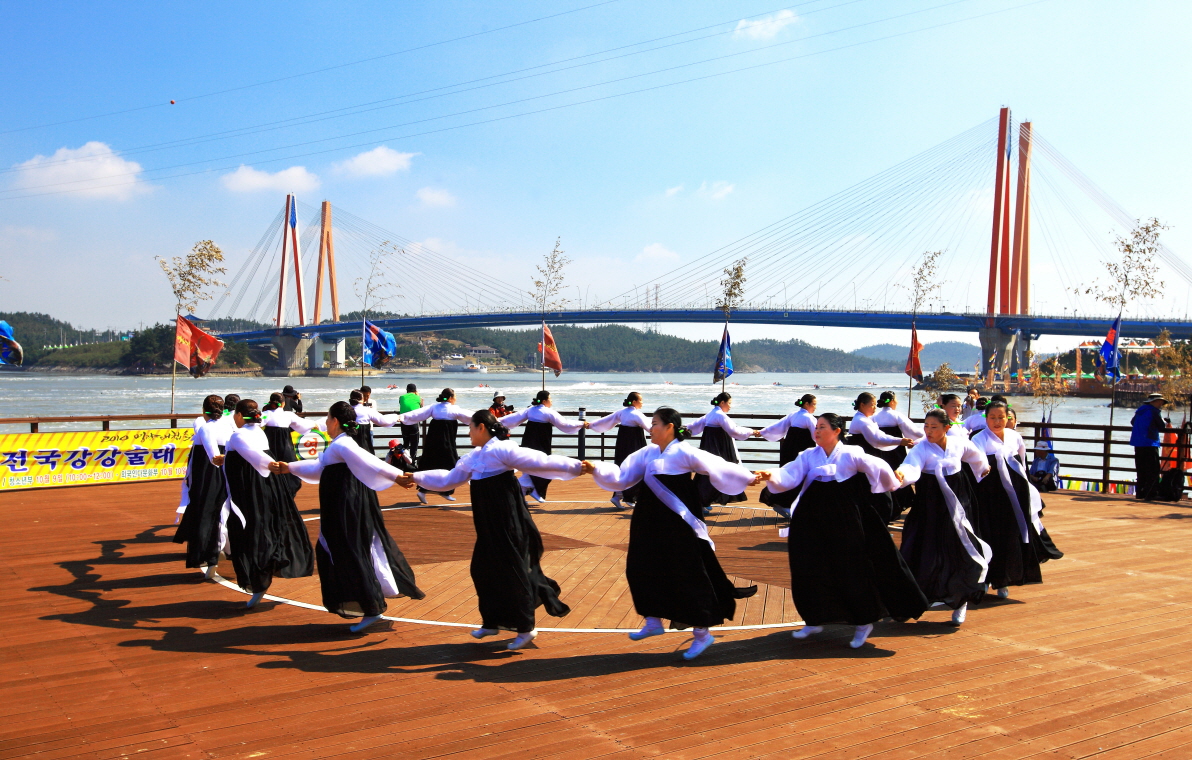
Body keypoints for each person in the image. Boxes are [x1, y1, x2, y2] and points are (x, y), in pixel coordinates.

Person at [397, 410, 592, 650]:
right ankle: (492, 621)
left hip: (507, 520)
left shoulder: (501, 449)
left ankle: (525, 628)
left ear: (481, 428)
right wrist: (416, 476)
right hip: (488, 524)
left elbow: (539, 460)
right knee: (482, 569)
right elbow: (447, 480)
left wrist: (575, 466)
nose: (467, 432)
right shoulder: (473, 458)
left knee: (512, 570)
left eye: (470, 428)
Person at [587, 407, 760, 660]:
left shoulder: (684, 451)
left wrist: (747, 476)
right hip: (648, 520)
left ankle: (702, 634)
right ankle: (653, 620)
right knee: (640, 566)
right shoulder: (645, 453)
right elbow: (622, 478)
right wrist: (595, 469)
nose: (651, 427)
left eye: (655, 423)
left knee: (687, 571)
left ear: (670, 427)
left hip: (679, 522)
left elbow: (718, 465)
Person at [758, 413, 928, 648]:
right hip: (812, 518)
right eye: (816, 427)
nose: (816, 431)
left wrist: (894, 478)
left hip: (845, 518)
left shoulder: (851, 453)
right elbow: (789, 474)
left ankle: (863, 622)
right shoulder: (808, 455)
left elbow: (877, 466)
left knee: (852, 568)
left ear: (837, 431)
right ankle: (814, 618)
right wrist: (771, 475)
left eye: (822, 427)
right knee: (808, 565)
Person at [276, 401, 425, 633]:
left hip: (345, 506)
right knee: (342, 550)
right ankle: (369, 603)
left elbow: (370, 461)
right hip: (338, 506)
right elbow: (318, 468)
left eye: (327, 418)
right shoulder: (337, 445)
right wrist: (290, 468)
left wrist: (397, 476)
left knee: (349, 551)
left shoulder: (343, 444)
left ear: (335, 421)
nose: (325, 422)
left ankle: (371, 606)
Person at [895, 409, 992, 626]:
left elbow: (975, 455)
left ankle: (960, 601)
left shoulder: (958, 443)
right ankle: (913, 599)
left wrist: (983, 468)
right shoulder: (920, 449)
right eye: (926, 426)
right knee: (922, 549)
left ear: (946, 427)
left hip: (958, 501)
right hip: (929, 503)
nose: (928, 431)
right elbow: (911, 466)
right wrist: (902, 475)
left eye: (934, 427)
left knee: (959, 548)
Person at [221, 399, 315, 608]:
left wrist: (271, 465)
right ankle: (267, 569)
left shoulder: (238, 435)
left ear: (238, 415)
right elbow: (247, 456)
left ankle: (259, 579)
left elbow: (256, 457)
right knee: (264, 527)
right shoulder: (257, 432)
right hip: (268, 486)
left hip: (251, 491)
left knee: (250, 532)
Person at [970, 401, 1062, 599]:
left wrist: (1027, 487)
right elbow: (975, 465)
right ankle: (986, 579)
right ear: (986, 418)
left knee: (1011, 535)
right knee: (989, 534)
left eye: (1001, 417)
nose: (997, 421)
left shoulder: (1015, 436)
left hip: (1015, 494)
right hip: (990, 493)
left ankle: (1005, 580)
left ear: (1008, 418)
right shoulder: (978, 439)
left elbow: (1022, 462)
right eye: (992, 417)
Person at [173, 395, 229, 579]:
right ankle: (218, 553)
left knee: (206, 514)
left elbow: (214, 456)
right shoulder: (228, 426)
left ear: (204, 410)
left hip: (207, 476)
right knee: (220, 513)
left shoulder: (206, 428)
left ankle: (208, 557)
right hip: (223, 474)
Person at [500, 390, 588, 503]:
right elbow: (564, 424)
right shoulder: (548, 412)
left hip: (528, 440)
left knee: (529, 466)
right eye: (550, 399)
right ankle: (529, 489)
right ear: (545, 401)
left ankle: (522, 494)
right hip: (541, 441)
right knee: (546, 466)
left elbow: (512, 419)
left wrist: (495, 421)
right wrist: (581, 423)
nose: (551, 401)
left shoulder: (530, 410)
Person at [687, 392, 760, 514]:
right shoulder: (720, 415)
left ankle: (702, 501)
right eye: (729, 403)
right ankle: (702, 501)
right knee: (720, 472)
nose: (730, 406)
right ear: (722, 403)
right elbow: (734, 430)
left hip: (710, 445)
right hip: (719, 446)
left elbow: (695, 425)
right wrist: (752, 432)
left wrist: (682, 429)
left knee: (707, 472)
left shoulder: (711, 413)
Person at [397, 388, 474, 504]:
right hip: (447, 444)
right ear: (451, 398)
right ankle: (445, 491)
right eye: (455, 396)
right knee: (451, 465)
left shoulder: (434, 407)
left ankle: (426, 491)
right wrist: (490, 419)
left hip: (432, 443)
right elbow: (472, 416)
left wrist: (401, 417)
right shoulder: (454, 409)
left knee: (430, 464)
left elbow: (417, 414)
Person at [848, 392, 915, 524]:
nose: (875, 408)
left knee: (878, 492)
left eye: (875, 405)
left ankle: (879, 518)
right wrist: (900, 441)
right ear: (862, 405)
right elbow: (877, 439)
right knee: (874, 492)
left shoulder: (866, 419)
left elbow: (880, 434)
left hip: (870, 457)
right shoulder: (861, 421)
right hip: (865, 460)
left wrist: (900, 440)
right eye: (872, 405)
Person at [757, 394, 818, 519]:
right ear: (807, 404)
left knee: (787, 473)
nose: (815, 407)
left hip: (788, 449)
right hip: (801, 451)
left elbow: (778, 426)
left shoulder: (793, 415)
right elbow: (816, 436)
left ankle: (782, 501)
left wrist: (762, 432)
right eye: (814, 404)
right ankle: (787, 504)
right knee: (800, 477)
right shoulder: (809, 418)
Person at [587, 392, 650, 509]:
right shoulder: (637, 415)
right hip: (634, 443)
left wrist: (591, 425)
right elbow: (651, 428)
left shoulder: (622, 412)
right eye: (641, 400)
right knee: (636, 468)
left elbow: (606, 420)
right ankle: (629, 497)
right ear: (635, 402)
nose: (642, 403)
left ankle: (618, 496)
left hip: (622, 442)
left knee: (622, 468)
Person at [872, 391, 924, 522]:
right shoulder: (896, 415)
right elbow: (914, 432)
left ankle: (886, 505)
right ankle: (899, 505)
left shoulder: (874, 416)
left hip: (880, 451)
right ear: (893, 401)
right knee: (898, 474)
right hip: (895, 450)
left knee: (884, 476)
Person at [261, 392, 317, 497]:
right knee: (289, 468)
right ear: (283, 403)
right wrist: (316, 424)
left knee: (270, 469)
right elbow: (303, 424)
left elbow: (253, 422)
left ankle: (271, 494)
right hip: (285, 446)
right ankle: (288, 494)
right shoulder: (288, 414)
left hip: (270, 446)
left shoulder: (266, 414)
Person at [1131, 393, 1168, 501]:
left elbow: (1132, 422)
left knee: (1141, 468)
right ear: (1153, 402)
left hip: (1138, 442)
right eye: (1159, 401)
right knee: (1153, 469)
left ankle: (1140, 492)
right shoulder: (1154, 411)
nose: (1161, 404)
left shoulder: (1140, 410)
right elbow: (1161, 426)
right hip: (1150, 442)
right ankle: (1151, 493)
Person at [350, 389, 399, 456]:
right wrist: (396, 417)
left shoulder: (345, 410)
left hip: (347, 445)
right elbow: (383, 421)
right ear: (362, 399)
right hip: (363, 443)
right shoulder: (367, 410)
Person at [398, 383, 423, 464]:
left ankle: (404, 462)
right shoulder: (419, 398)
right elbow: (421, 408)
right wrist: (417, 395)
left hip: (404, 423)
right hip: (414, 423)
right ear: (415, 390)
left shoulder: (401, 397)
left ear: (407, 390)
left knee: (405, 443)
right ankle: (412, 463)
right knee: (414, 444)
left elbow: (402, 405)